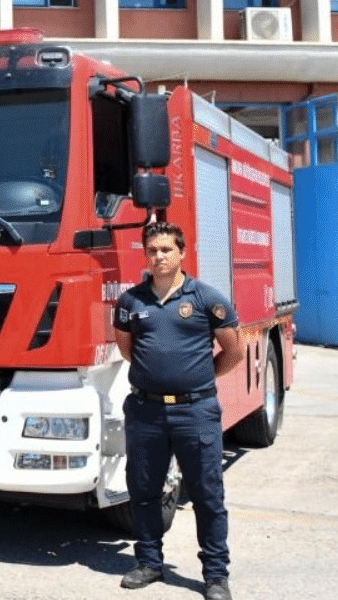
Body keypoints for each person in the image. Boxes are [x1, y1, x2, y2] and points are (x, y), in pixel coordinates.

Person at [112, 221, 243, 600]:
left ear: (182, 253)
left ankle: (216, 576)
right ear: (145, 254)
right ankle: (149, 562)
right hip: (146, 412)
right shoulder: (131, 302)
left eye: (167, 249)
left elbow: (233, 350)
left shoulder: (205, 299)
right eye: (152, 250)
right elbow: (127, 348)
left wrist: (199, 382)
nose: (159, 257)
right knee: (144, 490)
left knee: (207, 495)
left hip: (196, 412)